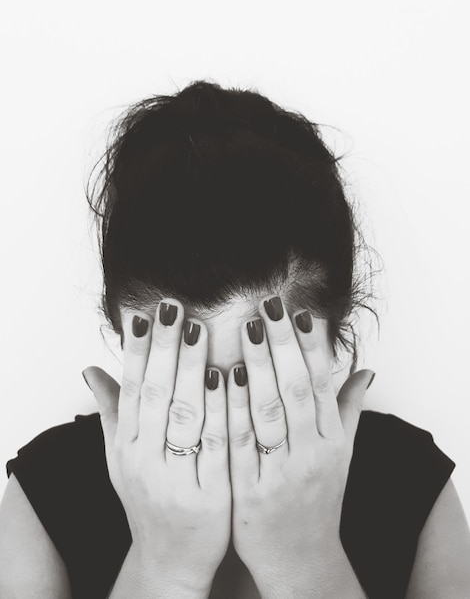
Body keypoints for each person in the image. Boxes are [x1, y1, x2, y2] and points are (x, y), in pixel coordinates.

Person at [0, 80, 469, 599]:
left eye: (258, 371)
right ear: (122, 334)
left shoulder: (413, 488)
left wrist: (304, 561)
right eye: (183, 371)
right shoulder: (45, 496)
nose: (217, 422)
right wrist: (163, 568)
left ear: (334, 340)